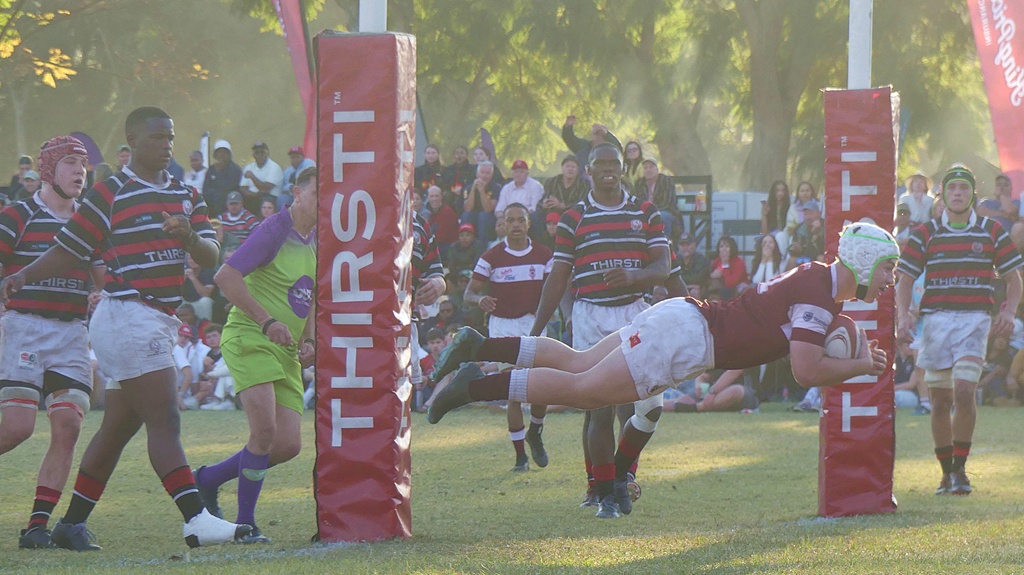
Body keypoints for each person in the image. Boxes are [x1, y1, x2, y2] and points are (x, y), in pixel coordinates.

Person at [427, 223, 898, 501]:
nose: (889, 280)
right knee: (583, 390)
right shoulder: (820, 294)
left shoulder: (818, 277)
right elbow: (806, 370)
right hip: (689, 339)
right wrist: (861, 366)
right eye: (887, 268)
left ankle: (478, 347)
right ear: (864, 259)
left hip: (685, 317)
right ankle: (473, 386)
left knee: (579, 362)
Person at [0, 106, 250, 550]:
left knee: (116, 427)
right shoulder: (109, 192)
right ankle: (196, 519)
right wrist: (22, 276)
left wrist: (189, 238)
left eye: (170, 137)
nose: (167, 145)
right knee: (165, 418)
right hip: (127, 314)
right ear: (132, 141)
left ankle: (70, 524)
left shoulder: (186, 193)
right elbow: (68, 248)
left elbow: (212, 254)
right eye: (157, 138)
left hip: (151, 319)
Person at [452, 143, 670, 519]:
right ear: (588, 170)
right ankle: (605, 492)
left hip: (635, 313)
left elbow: (664, 265)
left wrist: (635, 275)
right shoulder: (573, 217)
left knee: (646, 407)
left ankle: (621, 475)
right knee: (599, 409)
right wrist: (537, 331)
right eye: (599, 163)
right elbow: (558, 278)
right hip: (590, 315)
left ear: (622, 168)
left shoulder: (644, 211)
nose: (607, 169)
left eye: (613, 164)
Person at [194, 166, 318, 544]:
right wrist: (266, 323)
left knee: (287, 446)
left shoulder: (321, 239)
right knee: (263, 433)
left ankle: (207, 479)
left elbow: (310, 294)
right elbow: (225, 277)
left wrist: (309, 339)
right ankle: (244, 525)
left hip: (285, 349)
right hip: (250, 335)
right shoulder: (274, 229)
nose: (325, 202)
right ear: (296, 192)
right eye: (318, 193)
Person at [0, 136, 105, 549]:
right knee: (17, 427)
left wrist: (110, 292)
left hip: (70, 332)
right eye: (69, 162)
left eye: (83, 163)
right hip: (23, 327)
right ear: (47, 169)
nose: (80, 170)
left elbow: (104, 277)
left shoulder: (89, 223)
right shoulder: (17, 215)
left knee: (69, 423)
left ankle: (37, 527)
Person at [896, 165, 1023, 497]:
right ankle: (946, 473)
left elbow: (1013, 279)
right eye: (952, 188)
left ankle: (961, 470)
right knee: (938, 401)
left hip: (974, 321)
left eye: (963, 189)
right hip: (935, 322)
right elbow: (905, 278)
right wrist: (903, 315)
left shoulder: (992, 231)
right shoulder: (925, 233)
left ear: (972, 194)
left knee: (965, 390)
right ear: (942, 195)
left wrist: (1008, 310)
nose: (957, 193)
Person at [464, 203, 554, 472]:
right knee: (514, 388)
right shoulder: (491, 256)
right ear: (502, 224)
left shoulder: (544, 255)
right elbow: (469, 293)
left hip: (533, 322)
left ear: (528, 223)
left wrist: (545, 309)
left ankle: (535, 432)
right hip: (502, 325)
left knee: (540, 384)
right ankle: (520, 457)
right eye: (509, 220)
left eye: (520, 220)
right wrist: (480, 299)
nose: (515, 225)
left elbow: (553, 290)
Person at [633, 157, 679, 242]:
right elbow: (636, 202)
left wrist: (651, 211)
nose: (648, 170)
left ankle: (663, 243)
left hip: (664, 211)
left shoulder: (666, 181)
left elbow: (667, 203)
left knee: (662, 217)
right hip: (644, 212)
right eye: (645, 168)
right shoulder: (639, 183)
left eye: (651, 167)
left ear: (657, 169)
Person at [238, 142, 284, 214]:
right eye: (257, 153)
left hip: (270, 197)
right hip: (253, 196)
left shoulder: (274, 167)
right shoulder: (249, 167)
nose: (260, 155)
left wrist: (252, 176)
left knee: (262, 200)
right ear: (253, 155)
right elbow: (242, 188)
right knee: (237, 198)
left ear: (267, 154)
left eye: (262, 153)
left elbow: (265, 188)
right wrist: (254, 195)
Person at [460, 161, 500, 242]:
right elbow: (468, 208)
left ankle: (481, 247)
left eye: (488, 173)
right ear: (477, 174)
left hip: (489, 218)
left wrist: (482, 191)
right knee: (466, 214)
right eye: (482, 172)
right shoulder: (468, 188)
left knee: (483, 215)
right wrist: (473, 190)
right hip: (473, 216)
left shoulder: (496, 188)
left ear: (491, 175)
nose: (484, 175)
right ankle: (466, 244)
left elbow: (488, 209)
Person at [203, 139, 243, 219]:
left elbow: (231, 187)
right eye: (219, 152)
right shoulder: (211, 169)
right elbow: (206, 188)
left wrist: (219, 172)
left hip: (228, 204)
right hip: (212, 205)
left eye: (224, 152)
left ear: (229, 154)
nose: (221, 155)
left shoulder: (235, 169)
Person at [676, 231, 710, 298]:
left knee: (694, 292)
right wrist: (687, 285)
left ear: (694, 245)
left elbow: (697, 279)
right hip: (680, 288)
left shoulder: (702, 259)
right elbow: (673, 278)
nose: (685, 247)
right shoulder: (676, 260)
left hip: (700, 290)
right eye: (682, 245)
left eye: (688, 244)